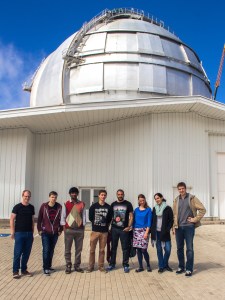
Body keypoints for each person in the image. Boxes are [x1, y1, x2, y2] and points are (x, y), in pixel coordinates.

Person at [173, 182, 206, 277]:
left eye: (182, 188)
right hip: (178, 228)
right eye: (179, 189)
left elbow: (203, 209)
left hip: (189, 227)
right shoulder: (176, 200)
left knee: (189, 249)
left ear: (185, 188)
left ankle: (189, 269)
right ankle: (181, 267)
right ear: (177, 190)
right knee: (179, 248)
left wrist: (195, 219)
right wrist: (173, 227)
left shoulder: (192, 198)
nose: (181, 190)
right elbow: (174, 215)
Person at [60, 187, 86, 274]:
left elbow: (84, 216)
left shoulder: (82, 203)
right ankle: (68, 265)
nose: (74, 194)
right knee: (67, 249)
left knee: (78, 249)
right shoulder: (66, 203)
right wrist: (64, 228)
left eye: (75, 193)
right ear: (70, 194)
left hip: (79, 230)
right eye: (72, 193)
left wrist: (83, 227)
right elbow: (63, 216)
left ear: (77, 194)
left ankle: (77, 265)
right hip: (69, 230)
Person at [107, 189, 133, 273]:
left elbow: (131, 216)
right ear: (116, 195)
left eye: (121, 194)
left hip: (124, 230)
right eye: (119, 194)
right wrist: (109, 228)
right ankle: (112, 264)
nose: (120, 195)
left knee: (125, 248)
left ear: (123, 195)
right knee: (113, 247)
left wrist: (129, 226)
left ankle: (125, 265)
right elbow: (110, 217)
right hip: (114, 229)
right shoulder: (113, 204)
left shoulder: (128, 204)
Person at [10, 190, 35, 279]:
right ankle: (15, 271)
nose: (27, 198)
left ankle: (24, 270)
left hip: (29, 234)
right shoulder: (17, 207)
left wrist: (32, 233)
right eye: (25, 196)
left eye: (28, 196)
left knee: (27, 253)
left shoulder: (31, 207)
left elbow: (32, 221)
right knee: (18, 252)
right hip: (19, 233)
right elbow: (12, 219)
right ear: (22, 196)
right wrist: (12, 232)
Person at [37, 191, 63, 276]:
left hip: (55, 232)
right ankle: (45, 268)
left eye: (55, 197)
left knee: (51, 250)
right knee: (46, 250)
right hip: (45, 232)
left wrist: (60, 230)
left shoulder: (59, 206)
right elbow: (39, 218)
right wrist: (39, 229)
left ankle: (49, 266)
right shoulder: (44, 206)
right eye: (52, 197)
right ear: (49, 197)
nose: (53, 198)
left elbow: (61, 219)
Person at [87, 190, 112, 273]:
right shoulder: (93, 206)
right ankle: (90, 266)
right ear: (98, 196)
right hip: (95, 231)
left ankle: (101, 266)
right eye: (102, 195)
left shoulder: (108, 207)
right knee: (92, 250)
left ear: (106, 196)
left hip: (104, 232)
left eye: (104, 195)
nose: (103, 196)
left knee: (102, 250)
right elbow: (90, 218)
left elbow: (109, 219)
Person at [151, 193, 173, 273]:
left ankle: (165, 264)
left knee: (168, 249)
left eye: (158, 198)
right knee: (159, 250)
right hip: (157, 233)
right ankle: (161, 266)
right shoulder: (154, 209)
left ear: (162, 198)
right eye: (155, 199)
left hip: (165, 233)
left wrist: (167, 229)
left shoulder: (168, 208)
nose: (157, 200)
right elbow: (152, 220)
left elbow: (171, 220)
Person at [133, 194, 152, 272]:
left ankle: (148, 265)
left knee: (144, 250)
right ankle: (140, 266)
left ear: (145, 200)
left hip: (144, 231)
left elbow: (149, 222)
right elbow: (133, 221)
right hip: (136, 231)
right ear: (138, 201)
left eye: (143, 200)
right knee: (138, 250)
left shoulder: (148, 210)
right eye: (140, 200)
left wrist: (146, 233)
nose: (142, 202)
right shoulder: (136, 210)